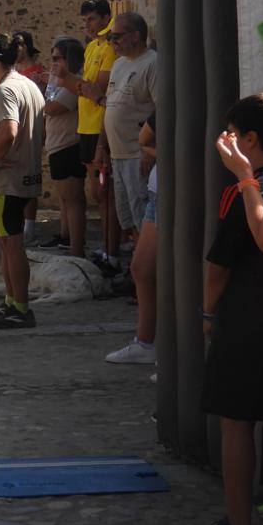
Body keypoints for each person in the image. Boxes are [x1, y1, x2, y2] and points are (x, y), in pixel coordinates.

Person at [186, 93, 263, 525]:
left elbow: (219, 267)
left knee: (235, 423)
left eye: (232, 134)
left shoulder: (246, 188)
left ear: (249, 139)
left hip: (248, 316)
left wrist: (208, 314)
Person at [0, 33, 46, 330]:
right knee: (8, 243)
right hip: (25, 172)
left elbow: (9, 130)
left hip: (8, 178)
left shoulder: (6, 89)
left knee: (11, 244)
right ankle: (11, 302)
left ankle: (20, 307)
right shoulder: (28, 85)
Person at [56, 0, 120, 271]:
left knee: (105, 194)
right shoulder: (92, 46)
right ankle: (107, 248)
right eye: (85, 20)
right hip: (85, 127)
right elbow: (85, 88)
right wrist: (75, 83)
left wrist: (69, 79)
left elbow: (99, 91)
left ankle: (112, 253)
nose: (88, 25)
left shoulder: (109, 49)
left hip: (100, 128)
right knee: (97, 193)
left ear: (107, 18)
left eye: (92, 19)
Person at [107, 113, 159, 365]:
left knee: (164, 273)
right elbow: (146, 137)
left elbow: (146, 136)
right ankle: (146, 342)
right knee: (142, 268)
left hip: (173, 191)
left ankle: (171, 351)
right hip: (158, 191)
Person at [103, 11, 158, 250]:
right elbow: (110, 105)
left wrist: (150, 150)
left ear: (136, 36)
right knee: (128, 219)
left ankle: (146, 274)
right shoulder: (118, 65)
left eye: (116, 36)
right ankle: (136, 270)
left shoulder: (153, 63)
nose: (112, 41)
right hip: (117, 154)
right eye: (110, 37)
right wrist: (101, 146)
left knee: (142, 216)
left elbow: (162, 109)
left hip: (137, 155)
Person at [42, 38, 87, 259]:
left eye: (57, 58)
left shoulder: (73, 83)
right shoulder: (59, 82)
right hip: (58, 146)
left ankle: (77, 251)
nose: (53, 63)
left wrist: (49, 88)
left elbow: (51, 107)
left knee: (74, 201)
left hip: (68, 145)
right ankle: (67, 239)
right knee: (65, 200)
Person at [12, 30, 46, 241]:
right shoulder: (13, 73)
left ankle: (30, 227)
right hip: (15, 131)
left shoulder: (38, 73)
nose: (16, 49)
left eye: (20, 45)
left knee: (29, 178)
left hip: (31, 132)